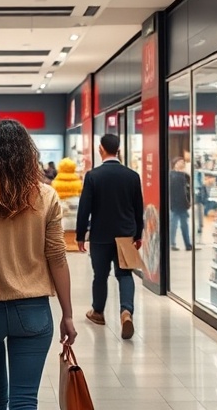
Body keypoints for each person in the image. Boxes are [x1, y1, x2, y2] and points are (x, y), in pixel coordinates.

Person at [0, 119, 77, 409]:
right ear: (28, 153)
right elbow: (57, 257)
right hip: (33, 311)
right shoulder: (46, 196)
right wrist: (67, 314)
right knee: (24, 401)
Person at [76, 134, 143, 340]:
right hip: (125, 234)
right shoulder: (132, 176)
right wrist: (138, 234)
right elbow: (138, 208)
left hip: (100, 235)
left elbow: (84, 208)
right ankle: (126, 312)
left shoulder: (93, 176)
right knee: (124, 274)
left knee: (100, 275)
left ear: (101, 149)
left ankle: (98, 312)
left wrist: (80, 235)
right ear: (118, 149)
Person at [169, 156, 194, 251]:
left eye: (183, 162)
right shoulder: (171, 175)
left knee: (185, 225)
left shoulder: (186, 176)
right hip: (174, 205)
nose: (182, 164)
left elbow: (188, 191)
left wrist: (189, 202)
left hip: (183, 204)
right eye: (180, 162)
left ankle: (188, 244)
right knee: (173, 225)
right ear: (175, 163)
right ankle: (172, 244)